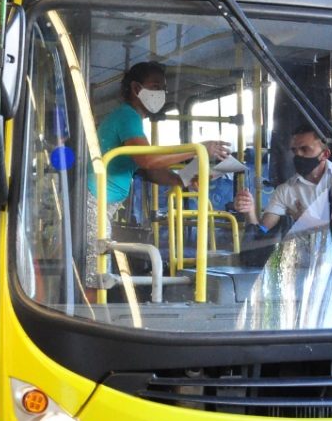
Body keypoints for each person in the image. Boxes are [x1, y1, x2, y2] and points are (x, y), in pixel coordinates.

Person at [85, 61, 228, 294]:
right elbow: (147, 160)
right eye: (154, 86)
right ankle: (87, 323)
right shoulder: (127, 116)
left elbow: (148, 170)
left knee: (95, 270)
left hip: (102, 202)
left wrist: (181, 179)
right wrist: (197, 148)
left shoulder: (132, 119)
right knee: (94, 275)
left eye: (163, 88)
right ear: (136, 88)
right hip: (94, 201)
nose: (160, 93)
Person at [234, 124, 332, 239]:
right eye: (294, 150)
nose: (298, 155)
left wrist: (306, 221)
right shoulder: (285, 190)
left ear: (325, 154)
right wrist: (249, 211)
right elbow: (262, 231)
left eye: (305, 149)